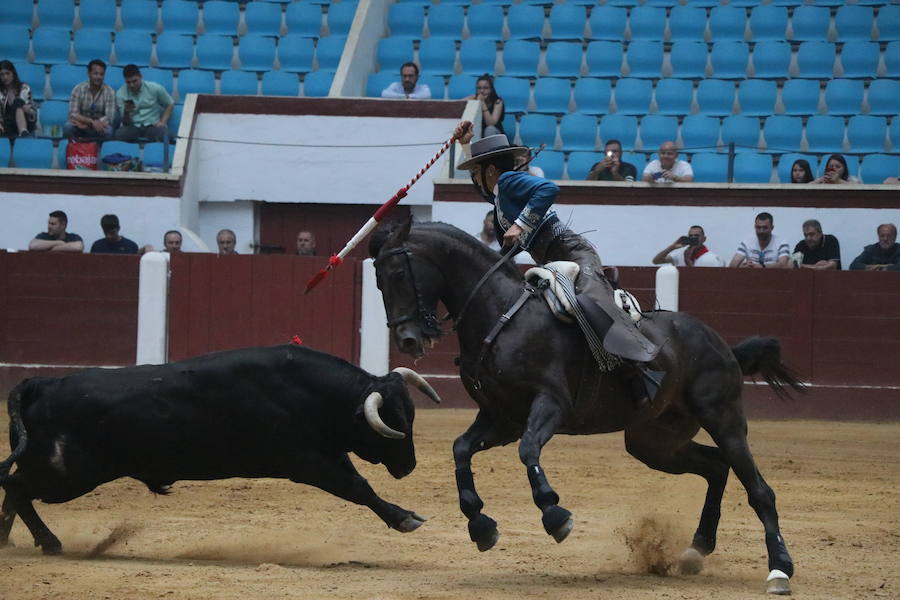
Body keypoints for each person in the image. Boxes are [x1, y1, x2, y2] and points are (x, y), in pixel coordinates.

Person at [453, 120, 661, 410]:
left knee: (592, 301)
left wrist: (520, 225)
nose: (475, 179)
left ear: (490, 171)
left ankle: (637, 372)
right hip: (553, 260)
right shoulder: (500, 192)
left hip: (574, 254)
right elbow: (485, 189)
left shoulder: (509, 181)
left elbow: (548, 189)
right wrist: (466, 146)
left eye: (477, 172)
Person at [115, 64, 174, 142]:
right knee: (119, 134)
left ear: (141, 77)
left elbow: (170, 104)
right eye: (128, 82)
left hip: (152, 125)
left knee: (168, 135)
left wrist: (162, 122)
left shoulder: (154, 88)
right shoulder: (120, 93)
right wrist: (126, 112)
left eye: (134, 81)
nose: (132, 85)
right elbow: (125, 122)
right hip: (133, 127)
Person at [64, 59, 116, 140]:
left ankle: (100, 150)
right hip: (81, 125)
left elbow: (110, 117)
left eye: (101, 74)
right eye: (95, 74)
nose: (99, 77)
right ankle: (75, 149)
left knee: (109, 131)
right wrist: (91, 122)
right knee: (68, 127)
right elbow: (73, 113)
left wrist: (94, 124)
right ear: (88, 74)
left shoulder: (110, 92)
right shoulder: (78, 89)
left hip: (99, 127)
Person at [652, 225, 724, 267]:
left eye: (696, 236)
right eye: (690, 236)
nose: (693, 238)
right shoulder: (680, 255)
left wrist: (688, 261)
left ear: (704, 239)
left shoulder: (713, 258)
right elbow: (656, 261)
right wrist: (672, 247)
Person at [0, 60, 37, 138]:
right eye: (2, 74)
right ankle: (23, 132)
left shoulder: (24, 88)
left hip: (26, 121)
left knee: (18, 101)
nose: (5, 77)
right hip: (7, 125)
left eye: (7, 73)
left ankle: (23, 131)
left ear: (13, 74)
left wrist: (27, 110)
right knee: (18, 103)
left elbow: (32, 111)